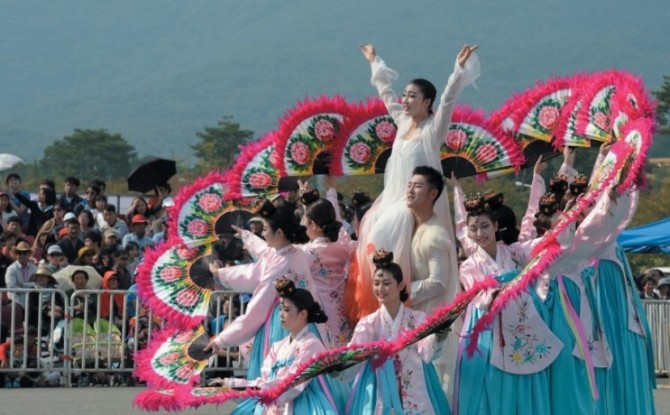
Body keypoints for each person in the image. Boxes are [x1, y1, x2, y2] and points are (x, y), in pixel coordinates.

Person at [347, 42, 479, 322]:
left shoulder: (434, 130)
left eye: (411, 96)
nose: (404, 101)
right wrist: (374, 61)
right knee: (372, 239)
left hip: (417, 205)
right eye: (404, 96)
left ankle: (405, 296)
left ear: (427, 102)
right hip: (393, 200)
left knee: (391, 239)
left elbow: (448, 100)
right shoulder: (403, 123)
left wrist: (457, 71)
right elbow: (386, 94)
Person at [454, 194, 563, 415]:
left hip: (521, 322)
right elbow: (476, 296)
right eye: (473, 229)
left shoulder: (514, 252)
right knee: (492, 384)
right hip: (488, 327)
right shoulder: (468, 266)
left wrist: (559, 226)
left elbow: (539, 245)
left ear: (496, 226)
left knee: (526, 376)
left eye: (485, 226)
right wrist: (495, 294)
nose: (480, 233)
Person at [206, 201, 316, 381]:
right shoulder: (297, 253)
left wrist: (221, 339)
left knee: (279, 381)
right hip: (306, 323)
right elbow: (264, 253)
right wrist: (246, 235)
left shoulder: (279, 265)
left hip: (281, 326)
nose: (263, 233)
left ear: (279, 232)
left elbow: (254, 313)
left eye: (265, 229)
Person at [208, 278, 347, 414]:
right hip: (273, 403)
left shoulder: (312, 345)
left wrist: (254, 390)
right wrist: (229, 384)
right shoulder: (277, 346)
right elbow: (265, 381)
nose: (280, 315)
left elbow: (294, 385)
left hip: (300, 405)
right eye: (280, 309)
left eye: (286, 310)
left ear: (303, 314)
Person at [346, 249, 449, 414]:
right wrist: (340, 366)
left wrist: (438, 337)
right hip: (380, 386)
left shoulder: (417, 318)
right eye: (376, 283)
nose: (380, 289)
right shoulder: (368, 324)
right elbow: (354, 353)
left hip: (415, 382)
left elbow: (427, 352)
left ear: (400, 285)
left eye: (387, 283)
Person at [4, 241, 38, 309]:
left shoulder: (35, 268)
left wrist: (23, 285)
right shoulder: (11, 269)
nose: (22, 255)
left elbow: (38, 285)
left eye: (25, 253)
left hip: (32, 302)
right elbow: (11, 287)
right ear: (16, 254)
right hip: (16, 301)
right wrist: (31, 288)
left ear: (29, 254)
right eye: (19, 253)